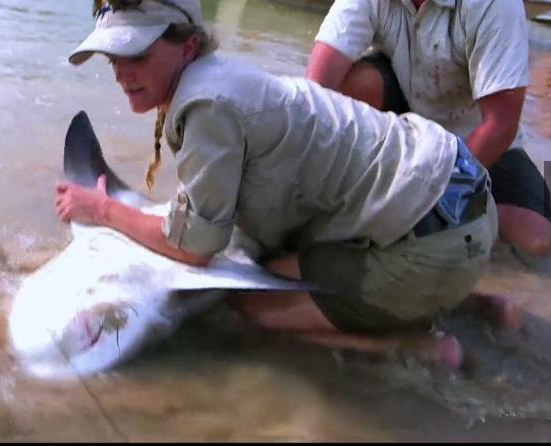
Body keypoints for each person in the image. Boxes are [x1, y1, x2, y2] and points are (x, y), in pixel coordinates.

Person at [56, 0, 514, 369]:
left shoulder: (204, 105)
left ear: (189, 46)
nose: (122, 72)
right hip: (463, 201)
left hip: (437, 242)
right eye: (113, 57)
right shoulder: (225, 77)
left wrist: (102, 209)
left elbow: (196, 247)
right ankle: (471, 301)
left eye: (137, 54)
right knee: (275, 264)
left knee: (248, 306)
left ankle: (415, 348)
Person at [306, 0, 551, 268]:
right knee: (350, 89)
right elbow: (316, 93)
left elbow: (501, 124)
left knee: (536, 242)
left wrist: (432, 199)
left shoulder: (494, 5)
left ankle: (475, 242)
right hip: (403, 125)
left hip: (477, 145)